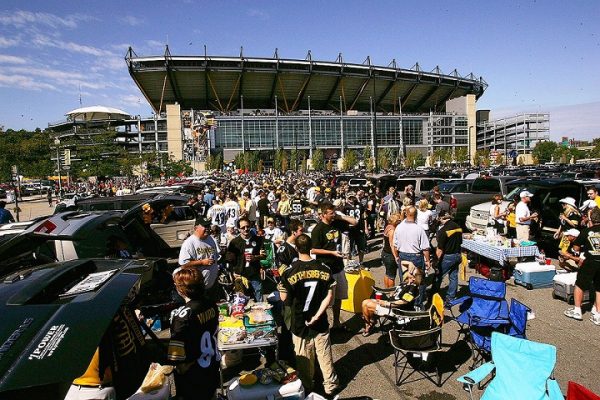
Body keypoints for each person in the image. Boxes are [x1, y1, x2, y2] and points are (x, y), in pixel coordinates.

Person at [278, 234, 340, 396]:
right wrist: (318, 314)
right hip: (320, 320)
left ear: (296, 248)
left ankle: (307, 385)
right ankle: (330, 386)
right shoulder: (324, 269)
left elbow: (284, 298)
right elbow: (330, 297)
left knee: (303, 357)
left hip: (299, 321)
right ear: (310, 247)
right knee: (324, 355)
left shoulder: (289, 272)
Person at [167, 268, 220, 399]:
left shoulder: (183, 315)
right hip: (212, 366)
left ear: (181, 289)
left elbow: (177, 358)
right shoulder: (210, 303)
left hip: (194, 375)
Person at [311, 202, 357, 331]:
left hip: (339, 267)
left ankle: (336, 323)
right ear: (323, 214)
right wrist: (331, 252)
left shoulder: (336, 223)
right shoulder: (318, 229)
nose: (333, 215)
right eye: (331, 213)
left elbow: (355, 222)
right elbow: (313, 250)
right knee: (326, 300)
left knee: (338, 298)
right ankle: (323, 325)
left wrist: (339, 217)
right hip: (326, 269)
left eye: (334, 213)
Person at [361, 264, 422, 336]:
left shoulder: (413, 288)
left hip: (396, 310)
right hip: (390, 304)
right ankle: (370, 322)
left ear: (414, 278)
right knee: (365, 303)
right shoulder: (406, 282)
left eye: (411, 271)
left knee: (366, 304)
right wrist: (411, 264)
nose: (409, 270)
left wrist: (386, 303)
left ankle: (369, 324)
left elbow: (403, 302)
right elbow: (402, 263)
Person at [564, 207, 600, 326]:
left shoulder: (587, 231)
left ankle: (577, 310)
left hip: (590, 261)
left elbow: (576, 247)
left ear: (591, 219)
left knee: (580, 284)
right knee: (599, 288)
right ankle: (598, 314)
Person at [393, 206, 431, 309]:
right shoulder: (419, 229)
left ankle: (405, 303)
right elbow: (425, 248)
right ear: (416, 215)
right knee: (418, 281)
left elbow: (395, 245)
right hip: (416, 257)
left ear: (406, 214)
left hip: (403, 256)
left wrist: (397, 256)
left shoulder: (399, 227)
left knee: (405, 280)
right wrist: (427, 260)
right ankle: (417, 304)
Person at [178, 216, 220, 301]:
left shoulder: (210, 239)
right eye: (205, 226)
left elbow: (215, 257)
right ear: (196, 227)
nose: (208, 229)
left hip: (213, 284)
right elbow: (183, 265)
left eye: (208, 226)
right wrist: (202, 262)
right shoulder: (189, 243)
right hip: (199, 287)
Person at [226, 217, 266, 301]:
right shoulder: (234, 242)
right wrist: (233, 273)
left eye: (247, 226)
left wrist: (255, 257)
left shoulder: (258, 240)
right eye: (243, 227)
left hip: (254, 273)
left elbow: (264, 255)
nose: (246, 229)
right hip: (240, 275)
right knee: (241, 301)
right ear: (239, 229)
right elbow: (229, 260)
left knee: (259, 298)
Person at [433, 211, 463, 305]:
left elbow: (440, 249)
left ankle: (433, 296)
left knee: (438, 276)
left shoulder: (443, 230)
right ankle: (451, 298)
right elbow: (460, 242)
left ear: (442, 218)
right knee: (453, 277)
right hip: (457, 254)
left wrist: (435, 262)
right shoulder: (458, 227)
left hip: (448, 256)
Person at [382, 213, 403, 288]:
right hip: (390, 255)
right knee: (392, 276)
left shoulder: (388, 226)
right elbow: (392, 245)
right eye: (399, 221)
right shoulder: (392, 231)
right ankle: (391, 292)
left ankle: (386, 288)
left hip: (385, 253)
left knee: (387, 273)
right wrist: (396, 256)